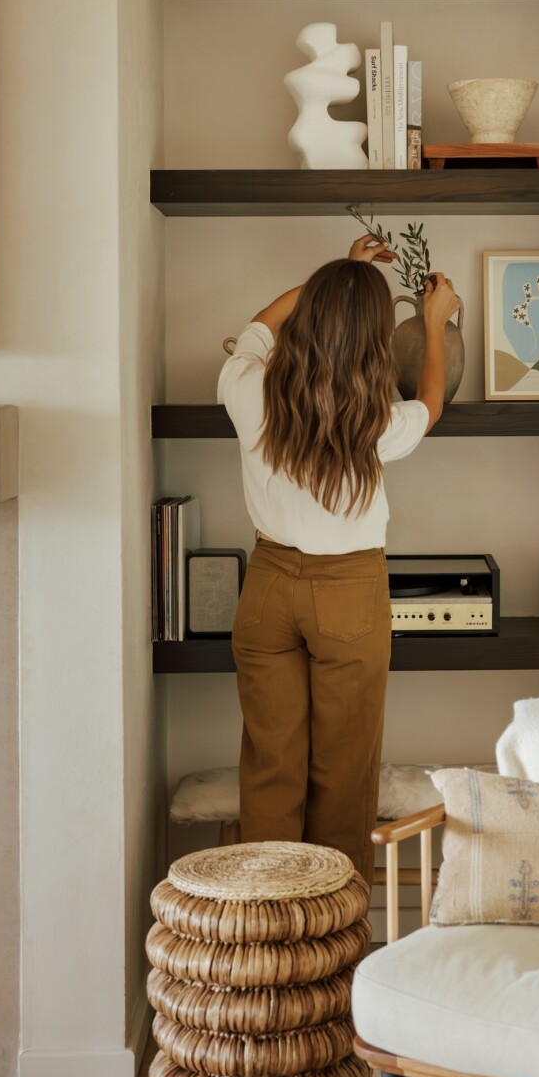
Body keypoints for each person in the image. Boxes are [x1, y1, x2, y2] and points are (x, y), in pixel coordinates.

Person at [217, 234, 459, 887]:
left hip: (267, 586)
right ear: (373, 341)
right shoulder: (375, 420)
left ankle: (267, 935)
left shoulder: (247, 388)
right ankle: (331, 944)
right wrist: (433, 325)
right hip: (348, 590)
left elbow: (256, 328)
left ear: (310, 315)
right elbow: (432, 403)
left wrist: (335, 278)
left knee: (271, 767)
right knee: (344, 774)